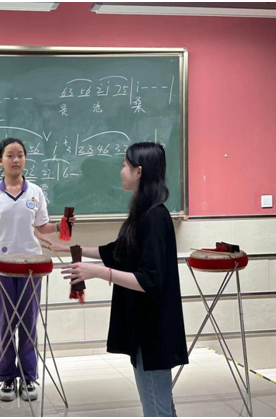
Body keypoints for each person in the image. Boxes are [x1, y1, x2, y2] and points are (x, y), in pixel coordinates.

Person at [38, 142, 188, 417]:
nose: (120, 171)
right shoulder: (143, 213)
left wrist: (97, 272)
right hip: (143, 327)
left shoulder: (155, 217)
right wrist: (69, 249)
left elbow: (149, 281)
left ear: (139, 171)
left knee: (157, 411)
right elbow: (118, 251)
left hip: (153, 331)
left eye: (124, 166)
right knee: (161, 407)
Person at [0, 137, 74, 402]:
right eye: (10, 155)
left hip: (31, 267)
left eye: (20, 155)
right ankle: (6, 378)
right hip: (0, 268)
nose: (16, 160)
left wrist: (62, 225)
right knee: (5, 323)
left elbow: (43, 227)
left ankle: (28, 376)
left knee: (28, 322)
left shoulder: (35, 192)